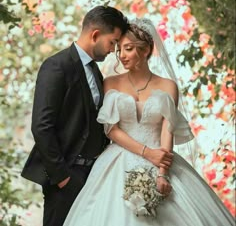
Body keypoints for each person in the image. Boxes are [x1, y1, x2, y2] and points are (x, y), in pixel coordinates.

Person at [63, 19, 234, 226]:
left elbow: (167, 129)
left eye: (127, 49)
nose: (121, 56)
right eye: (119, 50)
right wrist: (146, 152)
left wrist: (163, 173)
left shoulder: (167, 85)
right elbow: (111, 129)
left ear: (145, 51)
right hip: (118, 160)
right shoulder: (111, 82)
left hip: (160, 157)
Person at [21, 5, 131, 226]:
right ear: (95, 35)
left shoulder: (96, 72)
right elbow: (42, 126)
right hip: (67, 176)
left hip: (95, 175)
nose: (113, 50)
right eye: (112, 42)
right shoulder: (56, 66)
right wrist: (62, 178)